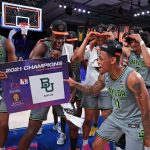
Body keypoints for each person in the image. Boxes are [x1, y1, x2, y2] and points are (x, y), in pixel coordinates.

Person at [65, 40, 150, 150]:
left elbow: (146, 110)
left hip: (134, 123)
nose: (97, 62)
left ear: (113, 60)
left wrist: (147, 138)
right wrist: (75, 84)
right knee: (96, 145)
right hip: (116, 118)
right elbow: (93, 90)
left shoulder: (133, 78)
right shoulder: (104, 75)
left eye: (101, 59)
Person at [18, 19, 70, 149]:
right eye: (57, 36)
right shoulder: (43, 45)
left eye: (62, 37)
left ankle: (71, 141)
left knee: (73, 124)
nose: (60, 40)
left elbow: (70, 69)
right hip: (42, 92)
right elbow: (31, 64)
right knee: (31, 131)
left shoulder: (67, 47)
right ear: (50, 35)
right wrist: (48, 59)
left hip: (59, 91)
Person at [74, 25, 113, 149]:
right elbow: (77, 58)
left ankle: (105, 142)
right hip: (90, 89)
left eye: (103, 36)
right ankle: (85, 143)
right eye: (98, 36)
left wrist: (111, 39)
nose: (101, 38)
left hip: (106, 89)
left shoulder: (111, 48)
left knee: (108, 119)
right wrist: (86, 39)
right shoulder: (90, 48)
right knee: (88, 119)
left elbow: (121, 56)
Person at [0, 35, 17, 150]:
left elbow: (14, 68)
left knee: (3, 123)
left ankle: (1, 147)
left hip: (3, 89)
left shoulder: (5, 42)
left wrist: (8, 73)